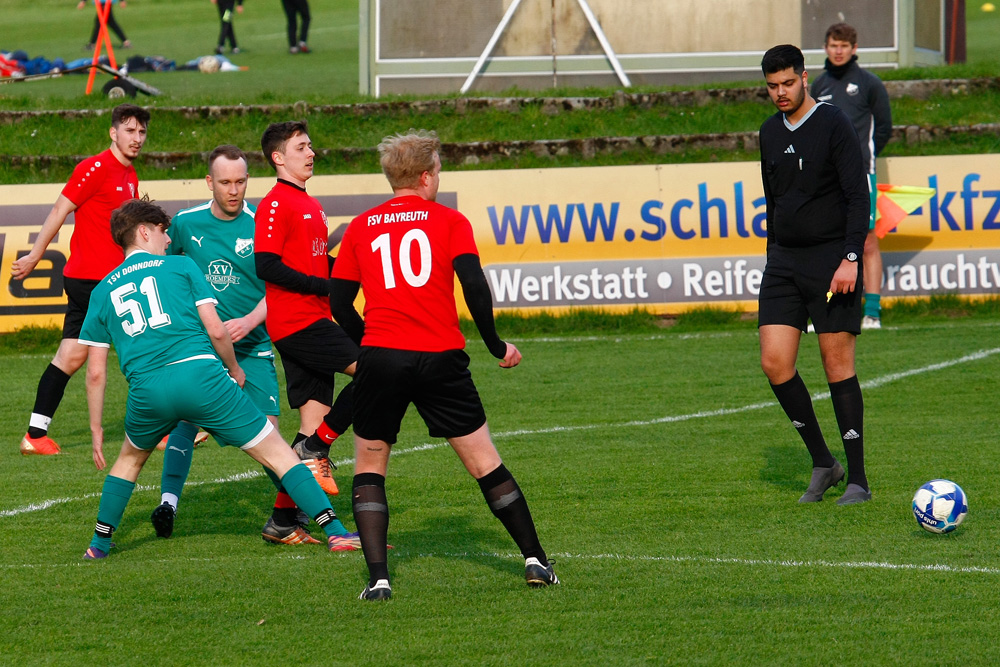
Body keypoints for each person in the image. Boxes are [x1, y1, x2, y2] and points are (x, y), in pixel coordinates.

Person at [330, 130, 558, 601]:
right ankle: (535, 559)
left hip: (383, 356)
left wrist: (370, 347)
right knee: (483, 460)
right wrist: (495, 344)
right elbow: (474, 286)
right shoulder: (448, 220)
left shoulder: (360, 226)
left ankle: (378, 580)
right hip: (440, 356)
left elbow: (338, 301)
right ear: (427, 175)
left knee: (370, 464)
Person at [78, 199, 361, 559]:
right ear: (144, 232)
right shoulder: (181, 266)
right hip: (200, 376)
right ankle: (335, 532)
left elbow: (95, 371)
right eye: (163, 232)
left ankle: (99, 545)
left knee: (129, 461)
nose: (168, 240)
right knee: (278, 453)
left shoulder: (101, 290)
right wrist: (233, 368)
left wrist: (96, 429)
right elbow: (215, 329)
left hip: (146, 391)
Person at [152, 145, 328, 547]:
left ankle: (291, 509)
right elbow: (168, 273)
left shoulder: (260, 222)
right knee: (185, 421)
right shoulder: (184, 223)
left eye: (241, 181)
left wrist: (249, 320)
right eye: (226, 182)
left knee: (268, 434)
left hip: (253, 347)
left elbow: (282, 285)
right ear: (209, 182)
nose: (234, 190)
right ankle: (169, 504)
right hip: (199, 346)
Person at [757, 45, 871, 505]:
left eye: (788, 83)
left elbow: (857, 196)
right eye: (772, 86)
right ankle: (824, 462)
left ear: (804, 78)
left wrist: (850, 257)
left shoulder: (832, 123)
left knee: (836, 364)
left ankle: (859, 478)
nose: (781, 93)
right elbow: (774, 201)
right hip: (784, 262)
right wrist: (771, 258)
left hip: (831, 260)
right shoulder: (767, 132)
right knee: (774, 363)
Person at [12, 103, 149, 456]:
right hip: (94, 281)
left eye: (141, 132)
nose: (136, 138)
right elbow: (60, 209)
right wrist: (35, 255)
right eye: (130, 130)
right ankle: (158, 429)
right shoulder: (94, 168)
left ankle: (35, 435)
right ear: (113, 132)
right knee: (145, 345)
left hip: (99, 280)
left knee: (71, 355)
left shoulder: (129, 174)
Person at [254, 121, 358, 493]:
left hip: (313, 318)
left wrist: (353, 273)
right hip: (298, 324)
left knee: (310, 426)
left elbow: (315, 264)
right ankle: (318, 447)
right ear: (278, 158)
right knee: (378, 372)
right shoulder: (275, 204)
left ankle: (284, 521)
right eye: (301, 148)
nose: (311, 153)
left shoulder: (310, 204)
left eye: (310, 146)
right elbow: (265, 265)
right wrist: (322, 284)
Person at [811, 23, 893, 330]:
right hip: (827, 180)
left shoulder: (869, 84)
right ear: (826, 47)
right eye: (833, 45)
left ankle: (872, 311)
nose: (838, 51)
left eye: (844, 46)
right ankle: (827, 311)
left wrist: (862, 159)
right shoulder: (819, 86)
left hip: (862, 176)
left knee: (867, 242)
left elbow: (883, 127)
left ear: (854, 48)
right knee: (826, 242)